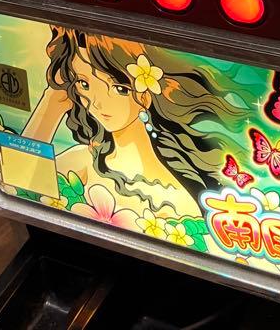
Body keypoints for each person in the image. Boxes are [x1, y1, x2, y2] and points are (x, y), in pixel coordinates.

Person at [21, 27, 243, 219]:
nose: (97, 102)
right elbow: (20, 185)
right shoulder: (84, 160)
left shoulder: (175, 197)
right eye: (84, 84)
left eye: (118, 88)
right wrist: (53, 102)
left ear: (146, 93)